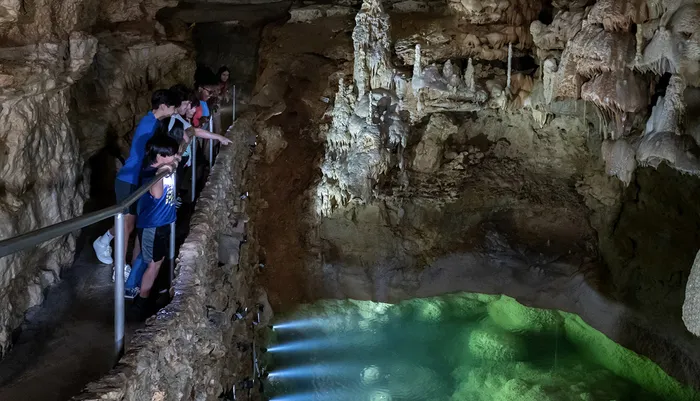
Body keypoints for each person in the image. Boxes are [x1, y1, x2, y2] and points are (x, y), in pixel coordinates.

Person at [93, 89, 179, 278]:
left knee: (128, 223)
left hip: (137, 179)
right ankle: (119, 266)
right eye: (173, 106)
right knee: (127, 225)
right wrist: (167, 162)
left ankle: (103, 241)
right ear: (163, 106)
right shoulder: (149, 125)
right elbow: (147, 155)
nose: (175, 110)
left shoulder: (154, 122)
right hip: (130, 179)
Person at [127, 133, 180, 318]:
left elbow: (177, 159)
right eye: (170, 154)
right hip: (152, 227)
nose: (174, 157)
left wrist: (170, 164)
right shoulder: (152, 175)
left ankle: (146, 295)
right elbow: (157, 194)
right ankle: (141, 303)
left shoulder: (166, 166)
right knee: (153, 265)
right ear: (158, 157)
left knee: (157, 261)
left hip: (162, 223)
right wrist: (162, 172)